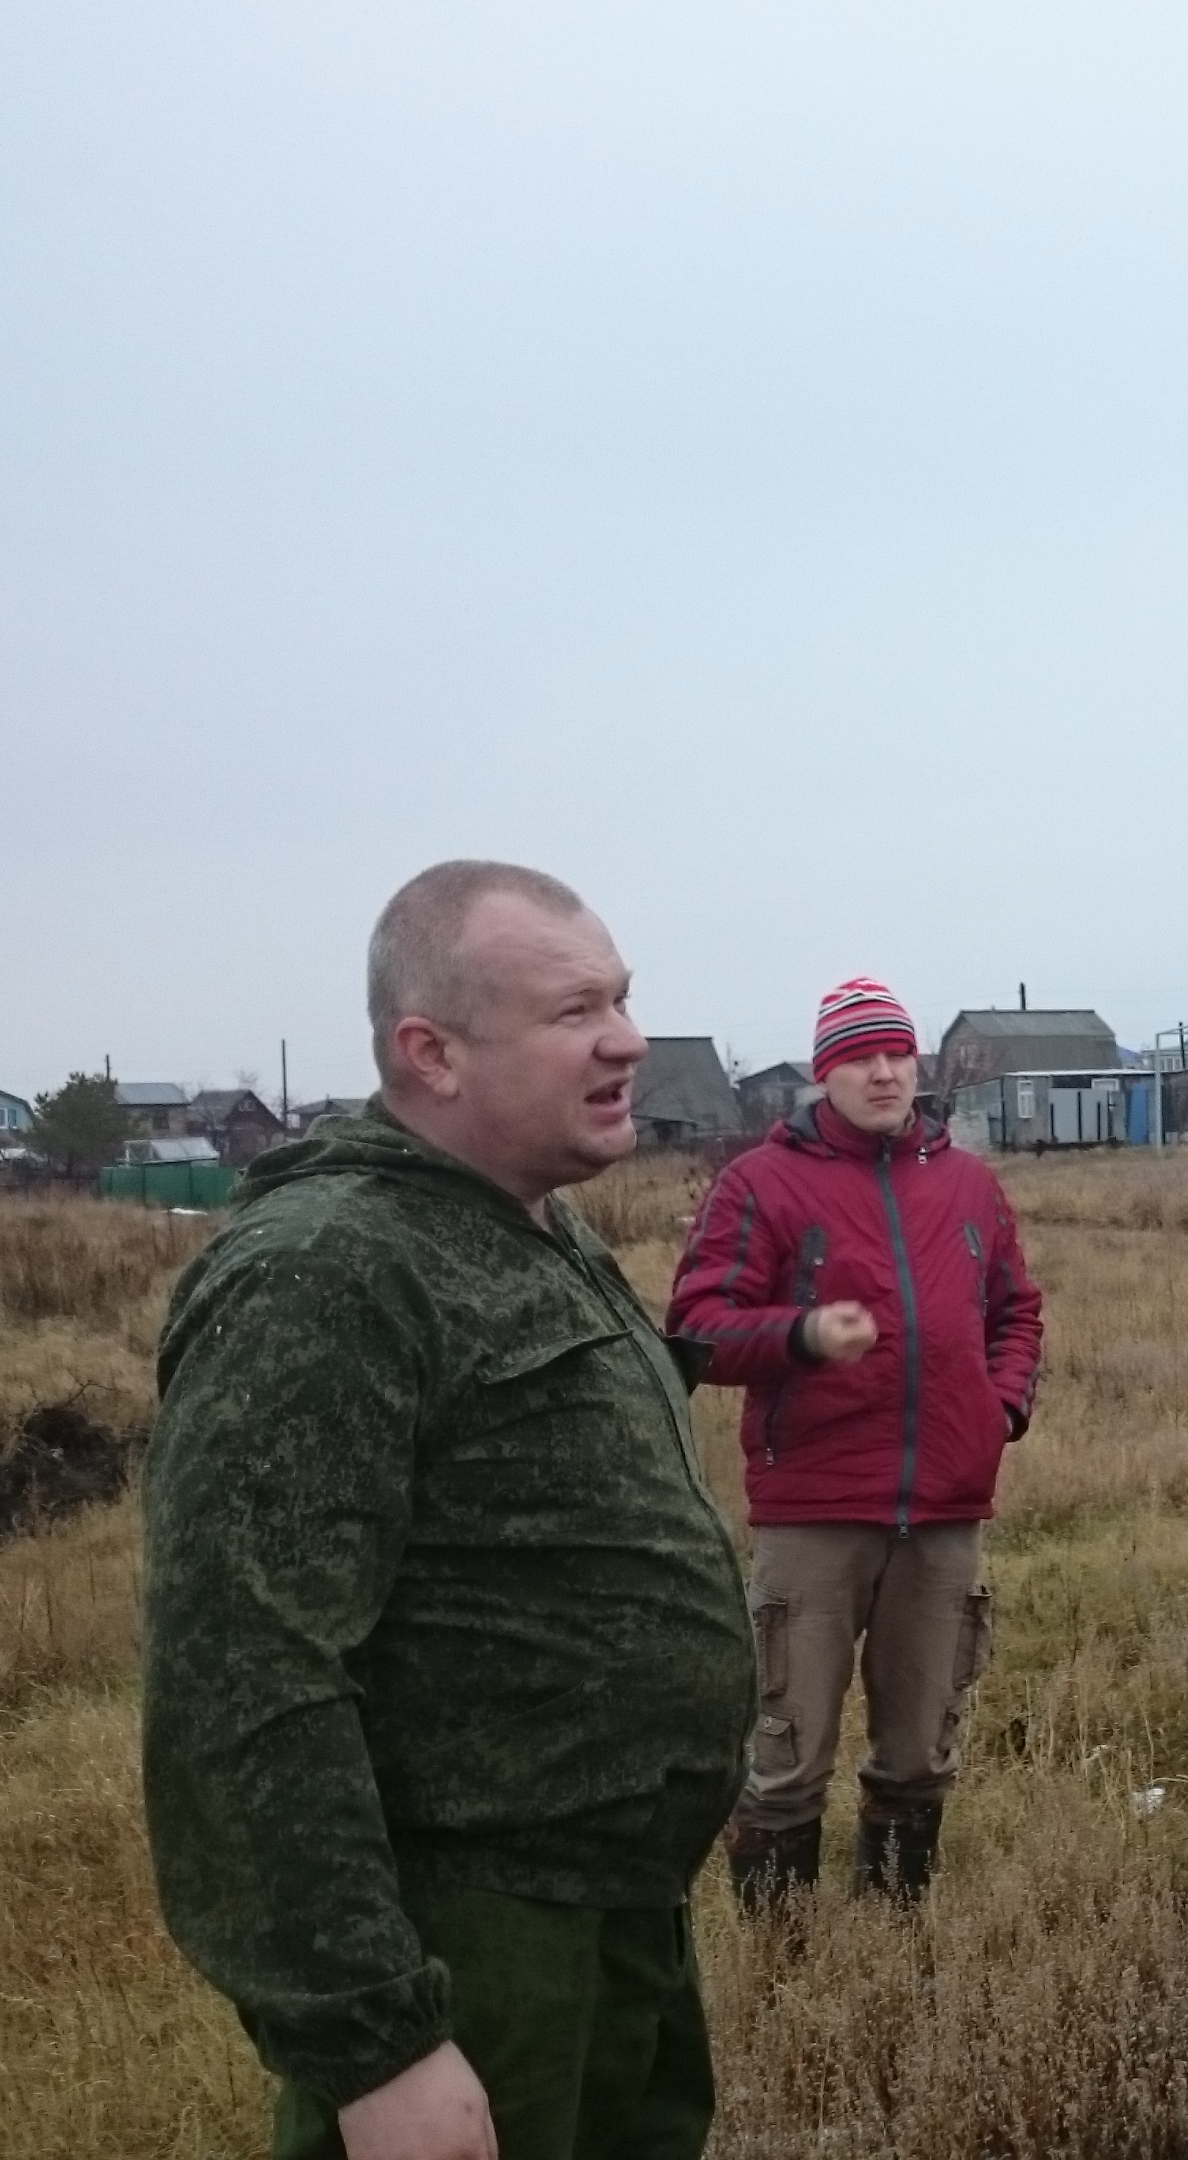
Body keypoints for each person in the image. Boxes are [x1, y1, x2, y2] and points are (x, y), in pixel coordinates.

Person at [142, 860, 754, 2160]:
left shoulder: (531, 1229)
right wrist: (379, 2046)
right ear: (432, 1053)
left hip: (616, 1912)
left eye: (623, 999)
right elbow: (242, 1679)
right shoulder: (328, 1271)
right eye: (575, 1011)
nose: (629, 1041)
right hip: (475, 1944)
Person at [670, 973, 1045, 1907]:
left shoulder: (968, 1184)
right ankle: (784, 1959)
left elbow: (1016, 1312)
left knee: (920, 1756)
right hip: (814, 1510)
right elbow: (697, 1329)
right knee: (787, 1758)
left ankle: (893, 1934)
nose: (883, 1073)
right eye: (860, 1058)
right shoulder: (761, 1184)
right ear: (824, 1073)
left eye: (897, 1055)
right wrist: (799, 1334)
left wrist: (999, 1409)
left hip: (945, 1511)